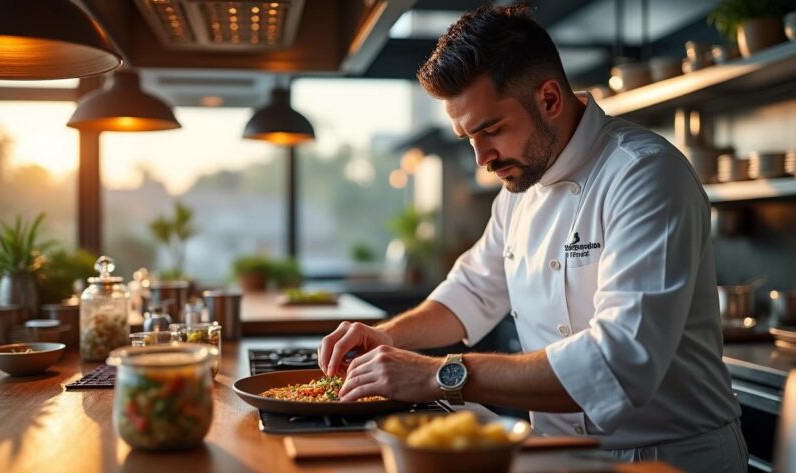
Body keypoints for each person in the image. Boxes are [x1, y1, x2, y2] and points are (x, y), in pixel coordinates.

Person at [318, 4, 747, 471]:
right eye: (467, 137)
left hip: (668, 457)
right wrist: (385, 336)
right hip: (557, 455)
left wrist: (442, 374)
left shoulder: (643, 175)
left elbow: (621, 361)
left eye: (491, 130)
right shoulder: (517, 192)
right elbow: (469, 294)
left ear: (548, 99)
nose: (482, 157)